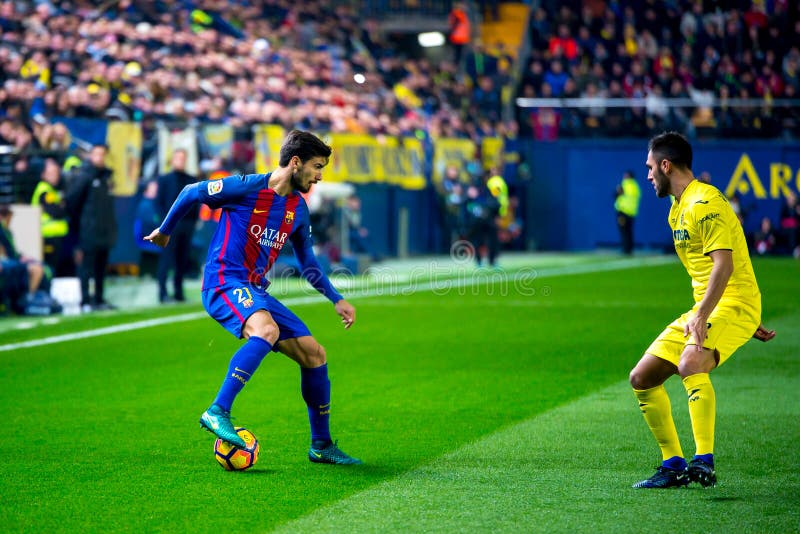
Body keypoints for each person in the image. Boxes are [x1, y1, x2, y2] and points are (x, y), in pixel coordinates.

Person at [144, 130, 361, 465]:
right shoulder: (246, 187)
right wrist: (165, 231)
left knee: (315, 354)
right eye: (317, 166)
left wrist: (335, 298)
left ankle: (321, 445)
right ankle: (218, 411)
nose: (320, 175)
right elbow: (190, 192)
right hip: (223, 281)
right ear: (295, 162)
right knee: (267, 331)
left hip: (254, 289)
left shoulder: (297, 209)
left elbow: (308, 262)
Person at [629, 132, 776, 489]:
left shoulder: (704, 203)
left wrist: (724, 314)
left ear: (666, 165)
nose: (647, 175)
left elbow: (723, 266)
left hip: (731, 302)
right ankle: (673, 465)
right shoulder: (677, 207)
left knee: (690, 363)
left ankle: (703, 461)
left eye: (650, 167)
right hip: (710, 306)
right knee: (642, 377)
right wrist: (706, 313)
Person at [66, 144, 117, 312]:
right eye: (97, 154)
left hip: (104, 230)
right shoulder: (84, 177)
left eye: (102, 154)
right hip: (88, 230)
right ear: (90, 155)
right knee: (86, 266)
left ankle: (99, 299)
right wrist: (82, 223)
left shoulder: (106, 178)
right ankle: (85, 300)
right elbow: (72, 201)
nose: (100, 158)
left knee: (101, 267)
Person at [155, 149, 198, 302]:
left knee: (182, 259)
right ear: (172, 160)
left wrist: (193, 222)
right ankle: (162, 293)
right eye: (177, 158)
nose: (180, 161)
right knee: (166, 259)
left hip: (186, 226)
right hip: (169, 227)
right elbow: (159, 203)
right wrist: (164, 225)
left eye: (182, 158)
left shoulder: (192, 179)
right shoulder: (164, 179)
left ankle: (179, 292)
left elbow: (196, 203)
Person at [30, 158, 70, 276]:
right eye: (51, 173)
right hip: (48, 236)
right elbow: (57, 212)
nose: (55, 176)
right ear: (43, 174)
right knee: (50, 268)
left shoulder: (51, 190)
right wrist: (62, 206)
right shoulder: (44, 190)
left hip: (55, 236)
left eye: (56, 173)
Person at [614, 170, 641, 255]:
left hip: (623, 211)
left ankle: (625, 249)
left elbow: (615, 195)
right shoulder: (636, 186)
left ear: (628, 176)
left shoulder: (624, 185)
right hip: (632, 213)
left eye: (625, 175)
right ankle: (630, 249)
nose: (624, 177)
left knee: (624, 231)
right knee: (629, 231)